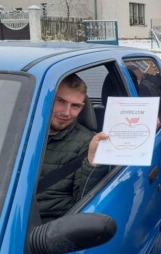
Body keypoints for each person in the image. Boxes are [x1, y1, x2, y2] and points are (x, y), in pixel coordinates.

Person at [37, 74, 110, 222]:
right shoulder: (18, 130)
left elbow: (85, 200)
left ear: (82, 107)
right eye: (60, 101)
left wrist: (93, 164)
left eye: (75, 106)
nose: (66, 112)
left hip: (48, 225)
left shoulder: (86, 143)